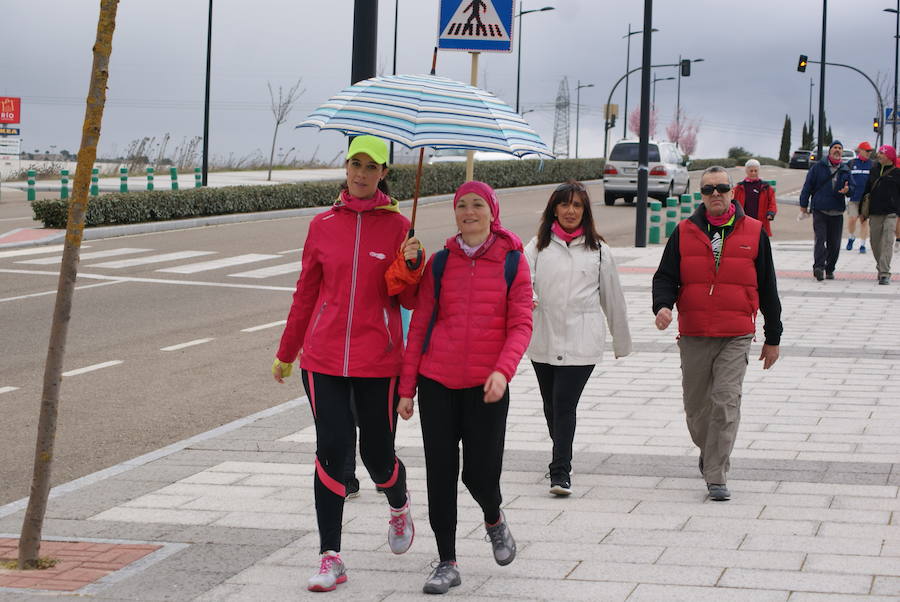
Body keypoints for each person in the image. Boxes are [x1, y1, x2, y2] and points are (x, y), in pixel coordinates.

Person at [272, 135, 423, 593]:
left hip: (378, 361)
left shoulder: (400, 226)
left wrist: (413, 266)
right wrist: (286, 350)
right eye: (354, 164)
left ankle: (397, 501)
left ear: (384, 174)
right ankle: (330, 556)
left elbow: (409, 297)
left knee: (377, 455)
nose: (360, 173)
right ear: (346, 168)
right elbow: (306, 292)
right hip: (322, 360)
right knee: (333, 450)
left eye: (370, 166)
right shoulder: (322, 225)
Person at [397, 180, 532, 595]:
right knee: (440, 474)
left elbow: (521, 324)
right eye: (461, 205)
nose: (469, 212)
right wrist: (407, 387)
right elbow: (418, 324)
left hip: (486, 388)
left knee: (479, 473)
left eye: (477, 205)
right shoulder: (439, 262)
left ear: (493, 213)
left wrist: (502, 372)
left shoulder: (513, 261)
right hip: (438, 383)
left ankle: (493, 518)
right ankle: (447, 561)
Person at [652, 166, 782, 502]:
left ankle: (716, 475)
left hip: (736, 333)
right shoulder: (684, 231)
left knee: (725, 403)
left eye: (721, 188)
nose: (715, 195)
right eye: (708, 190)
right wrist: (663, 306)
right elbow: (665, 277)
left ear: (732, 191)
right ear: (701, 194)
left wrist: (773, 336)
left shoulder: (754, 232)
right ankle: (710, 451)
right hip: (694, 332)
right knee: (696, 409)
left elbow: (768, 287)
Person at [524, 180, 632, 496]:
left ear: (585, 212)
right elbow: (521, 280)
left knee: (564, 403)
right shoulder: (536, 247)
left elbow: (613, 298)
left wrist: (621, 342)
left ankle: (560, 471)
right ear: (554, 209)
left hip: (582, 341)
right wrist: (528, 296)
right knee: (550, 406)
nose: (571, 211)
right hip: (543, 338)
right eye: (565, 204)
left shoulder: (599, 251)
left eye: (577, 205)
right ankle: (561, 447)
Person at [799, 140, 851, 281]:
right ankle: (818, 267)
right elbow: (807, 186)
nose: (837, 150)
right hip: (820, 209)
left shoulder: (845, 169)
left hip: (837, 211)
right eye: (835, 147)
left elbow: (852, 189)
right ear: (830, 151)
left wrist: (848, 190)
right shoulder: (818, 168)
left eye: (840, 148)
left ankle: (830, 268)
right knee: (820, 240)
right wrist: (803, 204)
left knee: (835, 244)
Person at [861, 145, 900, 285]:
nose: (878, 156)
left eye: (881, 154)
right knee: (875, 242)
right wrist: (862, 212)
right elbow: (866, 191)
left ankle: (885, 273)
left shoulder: (897, 173)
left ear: (889, 156)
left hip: (891, 213)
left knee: (888, 241)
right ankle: (880, 266)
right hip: (875, 212)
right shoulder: (873, 170)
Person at [733, 159, 777, 237]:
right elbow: (732, 203)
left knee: (760, 242)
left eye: (755, 171)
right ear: (746, 171)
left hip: (761, 220)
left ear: (758, 171)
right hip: (743, 220)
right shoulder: (738, 188)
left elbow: (772, 202)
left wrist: (771, 213)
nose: (753, 173)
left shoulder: (766, 187)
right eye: (751, 171)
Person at [845, 142, 873, 253]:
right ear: (860, 150)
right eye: (867, 151)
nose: (868, 153)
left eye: (870, 151)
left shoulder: (872, 164)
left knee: (863, 221)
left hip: (865, 199)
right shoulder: (851, 163)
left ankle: (862, 244)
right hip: (853, 197)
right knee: (852, 219)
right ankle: (851, 237)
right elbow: (845, 176)